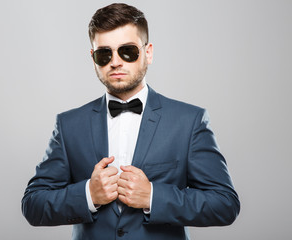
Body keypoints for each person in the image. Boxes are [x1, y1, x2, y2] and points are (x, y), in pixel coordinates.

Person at [22, 3, 240, 239]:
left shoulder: (189, 121)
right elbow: (33, 205)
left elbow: (225, 204)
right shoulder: (68, 125)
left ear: (148, 52)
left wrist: (153, 197)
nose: (115, 62)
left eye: (127, 51)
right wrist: (88, 194)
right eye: (104, 54)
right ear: (93, 58)